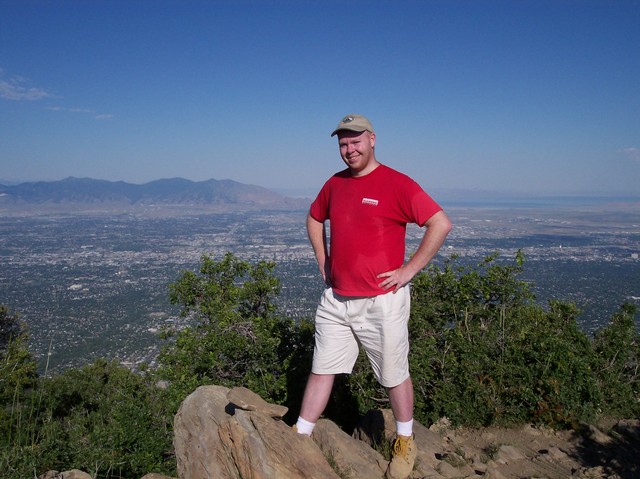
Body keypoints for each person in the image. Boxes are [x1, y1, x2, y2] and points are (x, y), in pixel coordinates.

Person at [294, 114, 452, 479]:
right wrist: (323, 259)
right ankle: (300, 434)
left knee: (394, 374)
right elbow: (314, 217)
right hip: (337, 299)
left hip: (382, 301)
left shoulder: (397, 183)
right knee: (321, 369)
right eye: (343, 143)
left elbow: (440, 223)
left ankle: (405, 441)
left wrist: (408, 271)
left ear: (372, 140)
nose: (349, 149)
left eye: (355, 141)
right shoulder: (334, 184)